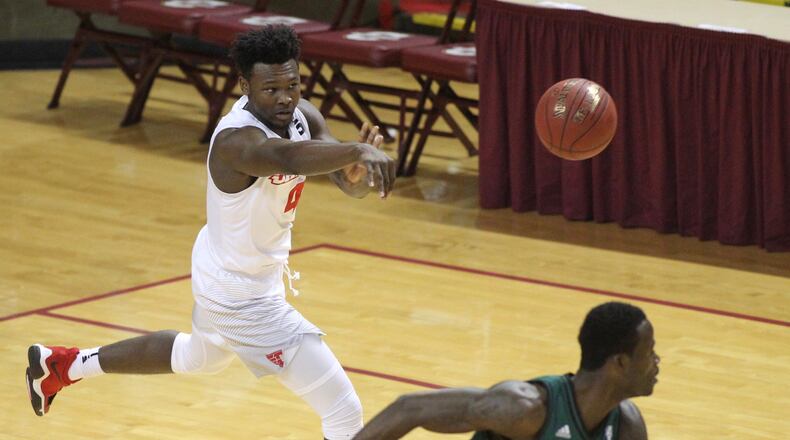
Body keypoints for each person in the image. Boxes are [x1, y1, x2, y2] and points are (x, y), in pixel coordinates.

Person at [25, 25, 396, 440]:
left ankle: (63, 366)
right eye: (270, 89)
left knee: (195, 356)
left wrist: (358, 175)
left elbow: (344, 179)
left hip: (230, 268)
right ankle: (64, 366)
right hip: (241, 297)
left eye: (292, 85)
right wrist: (356, 149)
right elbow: (285, 157)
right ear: (244, 85)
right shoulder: (235, 141)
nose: (284, 98)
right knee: (343, 410)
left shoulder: (302, 117)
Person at [353, 302, 660, 440]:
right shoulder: (523, 408)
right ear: (619, 363)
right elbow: (410, 408)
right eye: (650, 353)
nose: (657, 362)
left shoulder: (627, 427)